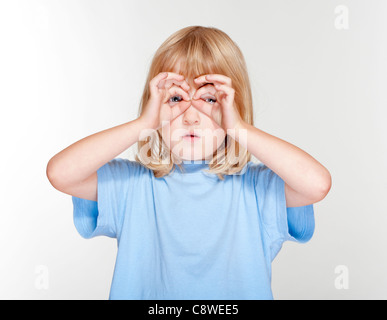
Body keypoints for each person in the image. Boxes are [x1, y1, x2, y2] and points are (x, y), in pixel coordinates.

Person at [46, 25, 331, 300]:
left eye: (209, 98)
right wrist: (144, 124)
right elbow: (61, 173)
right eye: (175, 98)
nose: (191, 116)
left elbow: (317, 184)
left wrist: (239, 129)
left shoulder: (257, 188)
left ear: (235, 110)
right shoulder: (131, 185)